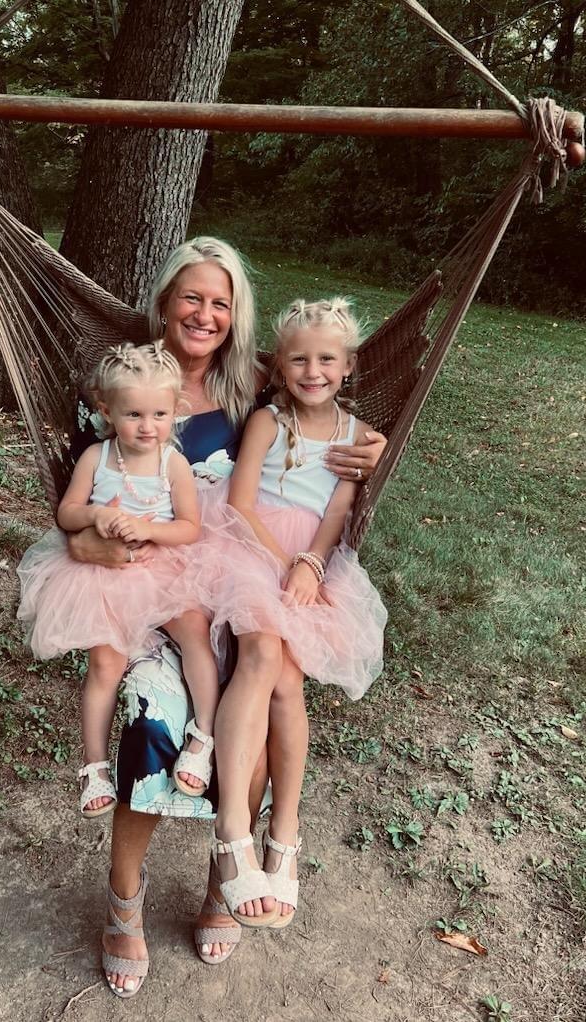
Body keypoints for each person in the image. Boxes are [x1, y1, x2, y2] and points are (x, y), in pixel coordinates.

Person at [64, 239, 387, 996]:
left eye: (221, 302)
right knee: (153, 721)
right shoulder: (120, 382)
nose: (205, 314)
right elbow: (81, 495)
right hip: (150, 585)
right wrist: (93, 544)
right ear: (164, 303)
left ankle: (225, 879)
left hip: (243, 585)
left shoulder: (256, 388)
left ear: (236, 315)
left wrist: (369, 446)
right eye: (191, 297)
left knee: (265, 707)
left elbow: (321, 416)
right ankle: (124, 899)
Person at [203, 297, 387, 928]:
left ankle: (284, 830)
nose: (314, 371)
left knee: (289, 682)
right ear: (279, 367)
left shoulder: (357, 436)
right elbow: (241, 503)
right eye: (299, 360)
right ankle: (233, 829)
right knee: (261, 653)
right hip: (247, 546)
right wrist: (283, 563)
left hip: (310, 558)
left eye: (327, 359)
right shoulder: (268, 421)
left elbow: (336, 514)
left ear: (349, 365)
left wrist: (310, 564)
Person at [16, 342, 220, 820]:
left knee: (194, 630)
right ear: (107, 411)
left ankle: (203, 736)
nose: (147, 426)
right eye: (134, 415)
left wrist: (149, 530)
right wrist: (96, 516)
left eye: (159, 414)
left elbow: (189, 527)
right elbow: (67, 513)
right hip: (103, 576)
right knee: (105, 662)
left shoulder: (172, 463)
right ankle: (94, 766)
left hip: (162, 568)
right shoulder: (97, 457)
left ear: (175, 411)